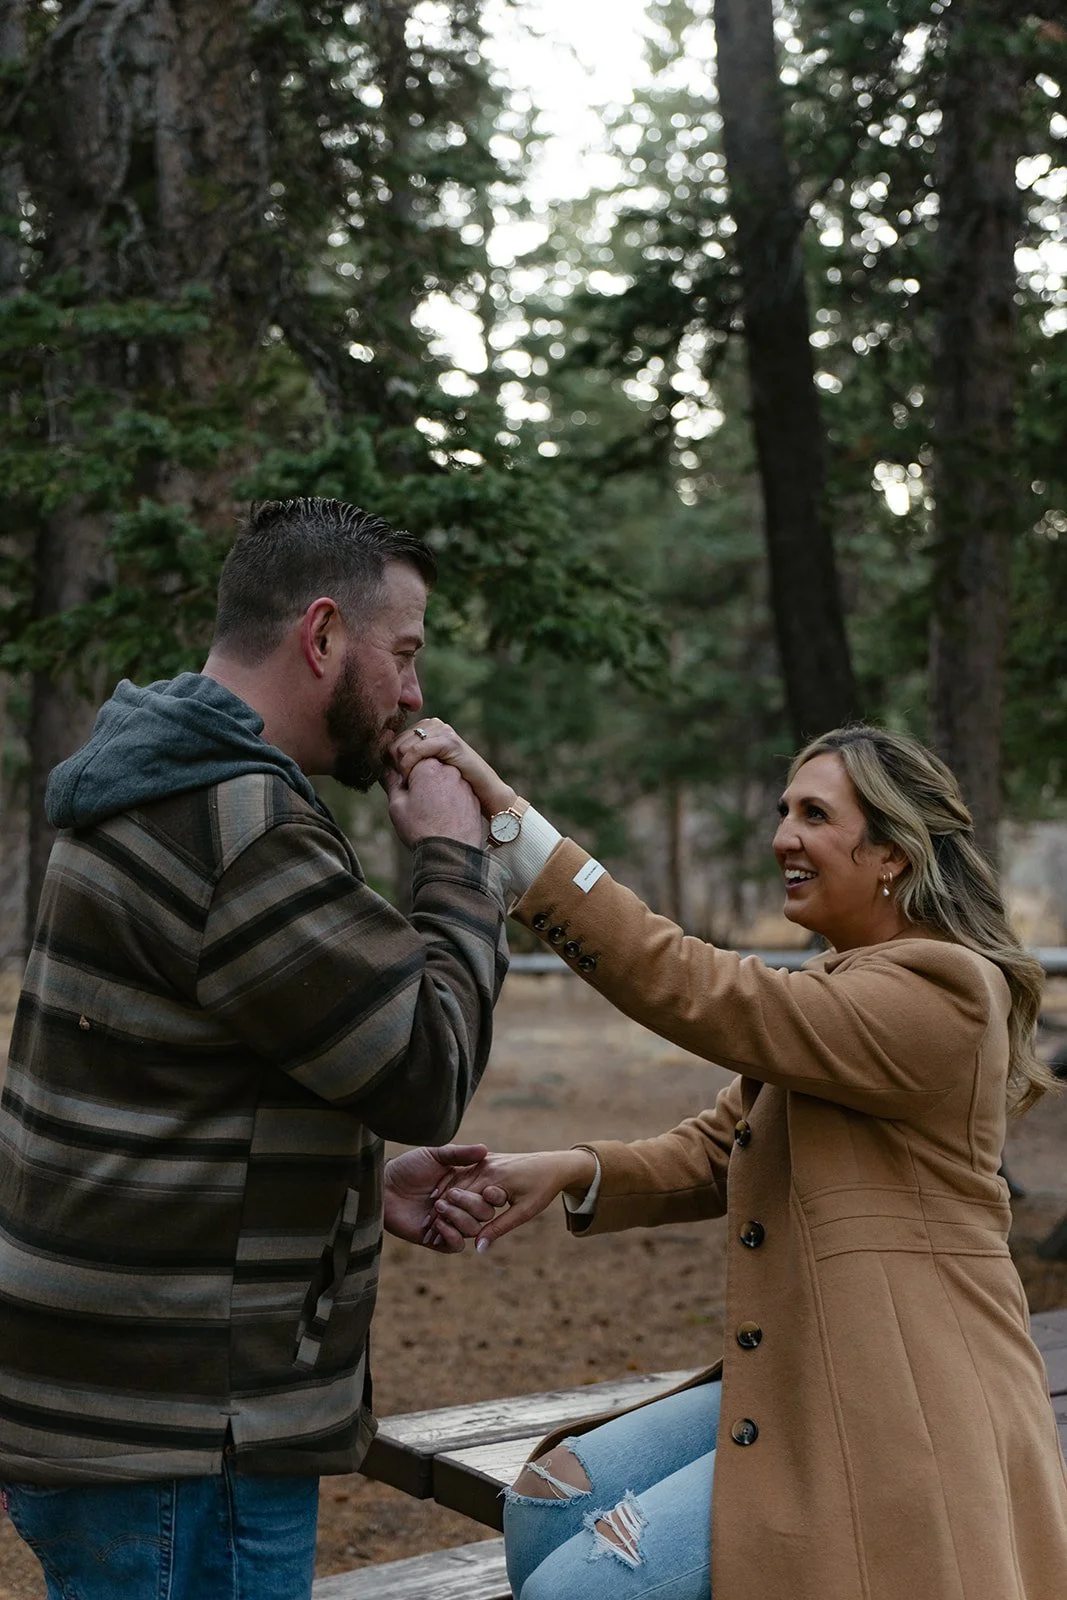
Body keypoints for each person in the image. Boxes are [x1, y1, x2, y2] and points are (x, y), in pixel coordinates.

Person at [394, 718, 1067, 1600]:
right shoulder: (842, 987)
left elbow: (702, 990)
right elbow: (725, 1147)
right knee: (550, 1505)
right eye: (785, 810)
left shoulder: (941, 990)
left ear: (890, 854)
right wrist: (568, 1167)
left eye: (815, 815)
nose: (782, 835)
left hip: (896, 1407)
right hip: (803, 1370)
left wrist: (511, 828)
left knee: (574, 1590)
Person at [0, 499, 512, 1600]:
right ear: (322, 636)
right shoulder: (240, 826)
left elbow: (181, 1080)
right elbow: (426, 1071)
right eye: (405, 653)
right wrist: (457, 864)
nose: (415, 694)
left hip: (112, 1409)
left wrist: (346, 1183)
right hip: (183, 1437)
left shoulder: (145, 774)